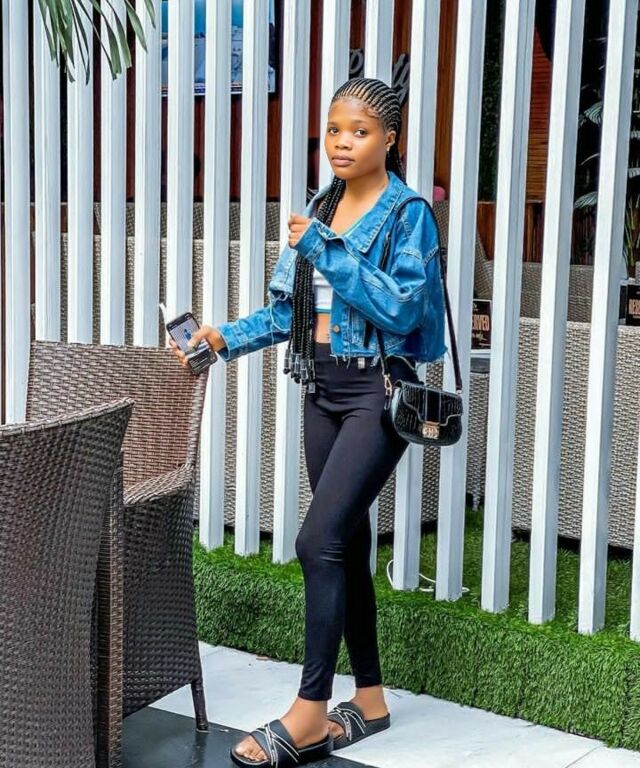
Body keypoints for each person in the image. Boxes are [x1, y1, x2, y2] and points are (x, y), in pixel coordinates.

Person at [170, 76, 447, 768]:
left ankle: (310, 711)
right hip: (321, 389)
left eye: (359, 131)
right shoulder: (321, 206)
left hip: (376, 392)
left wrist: (328, 252)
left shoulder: (407, 213)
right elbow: (285, 313)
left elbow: (403, 309)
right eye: (333, 130)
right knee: (344, 543)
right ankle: (372, 700)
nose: (342, 143)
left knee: (315, 540)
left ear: (390, 139)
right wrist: (222, 339)